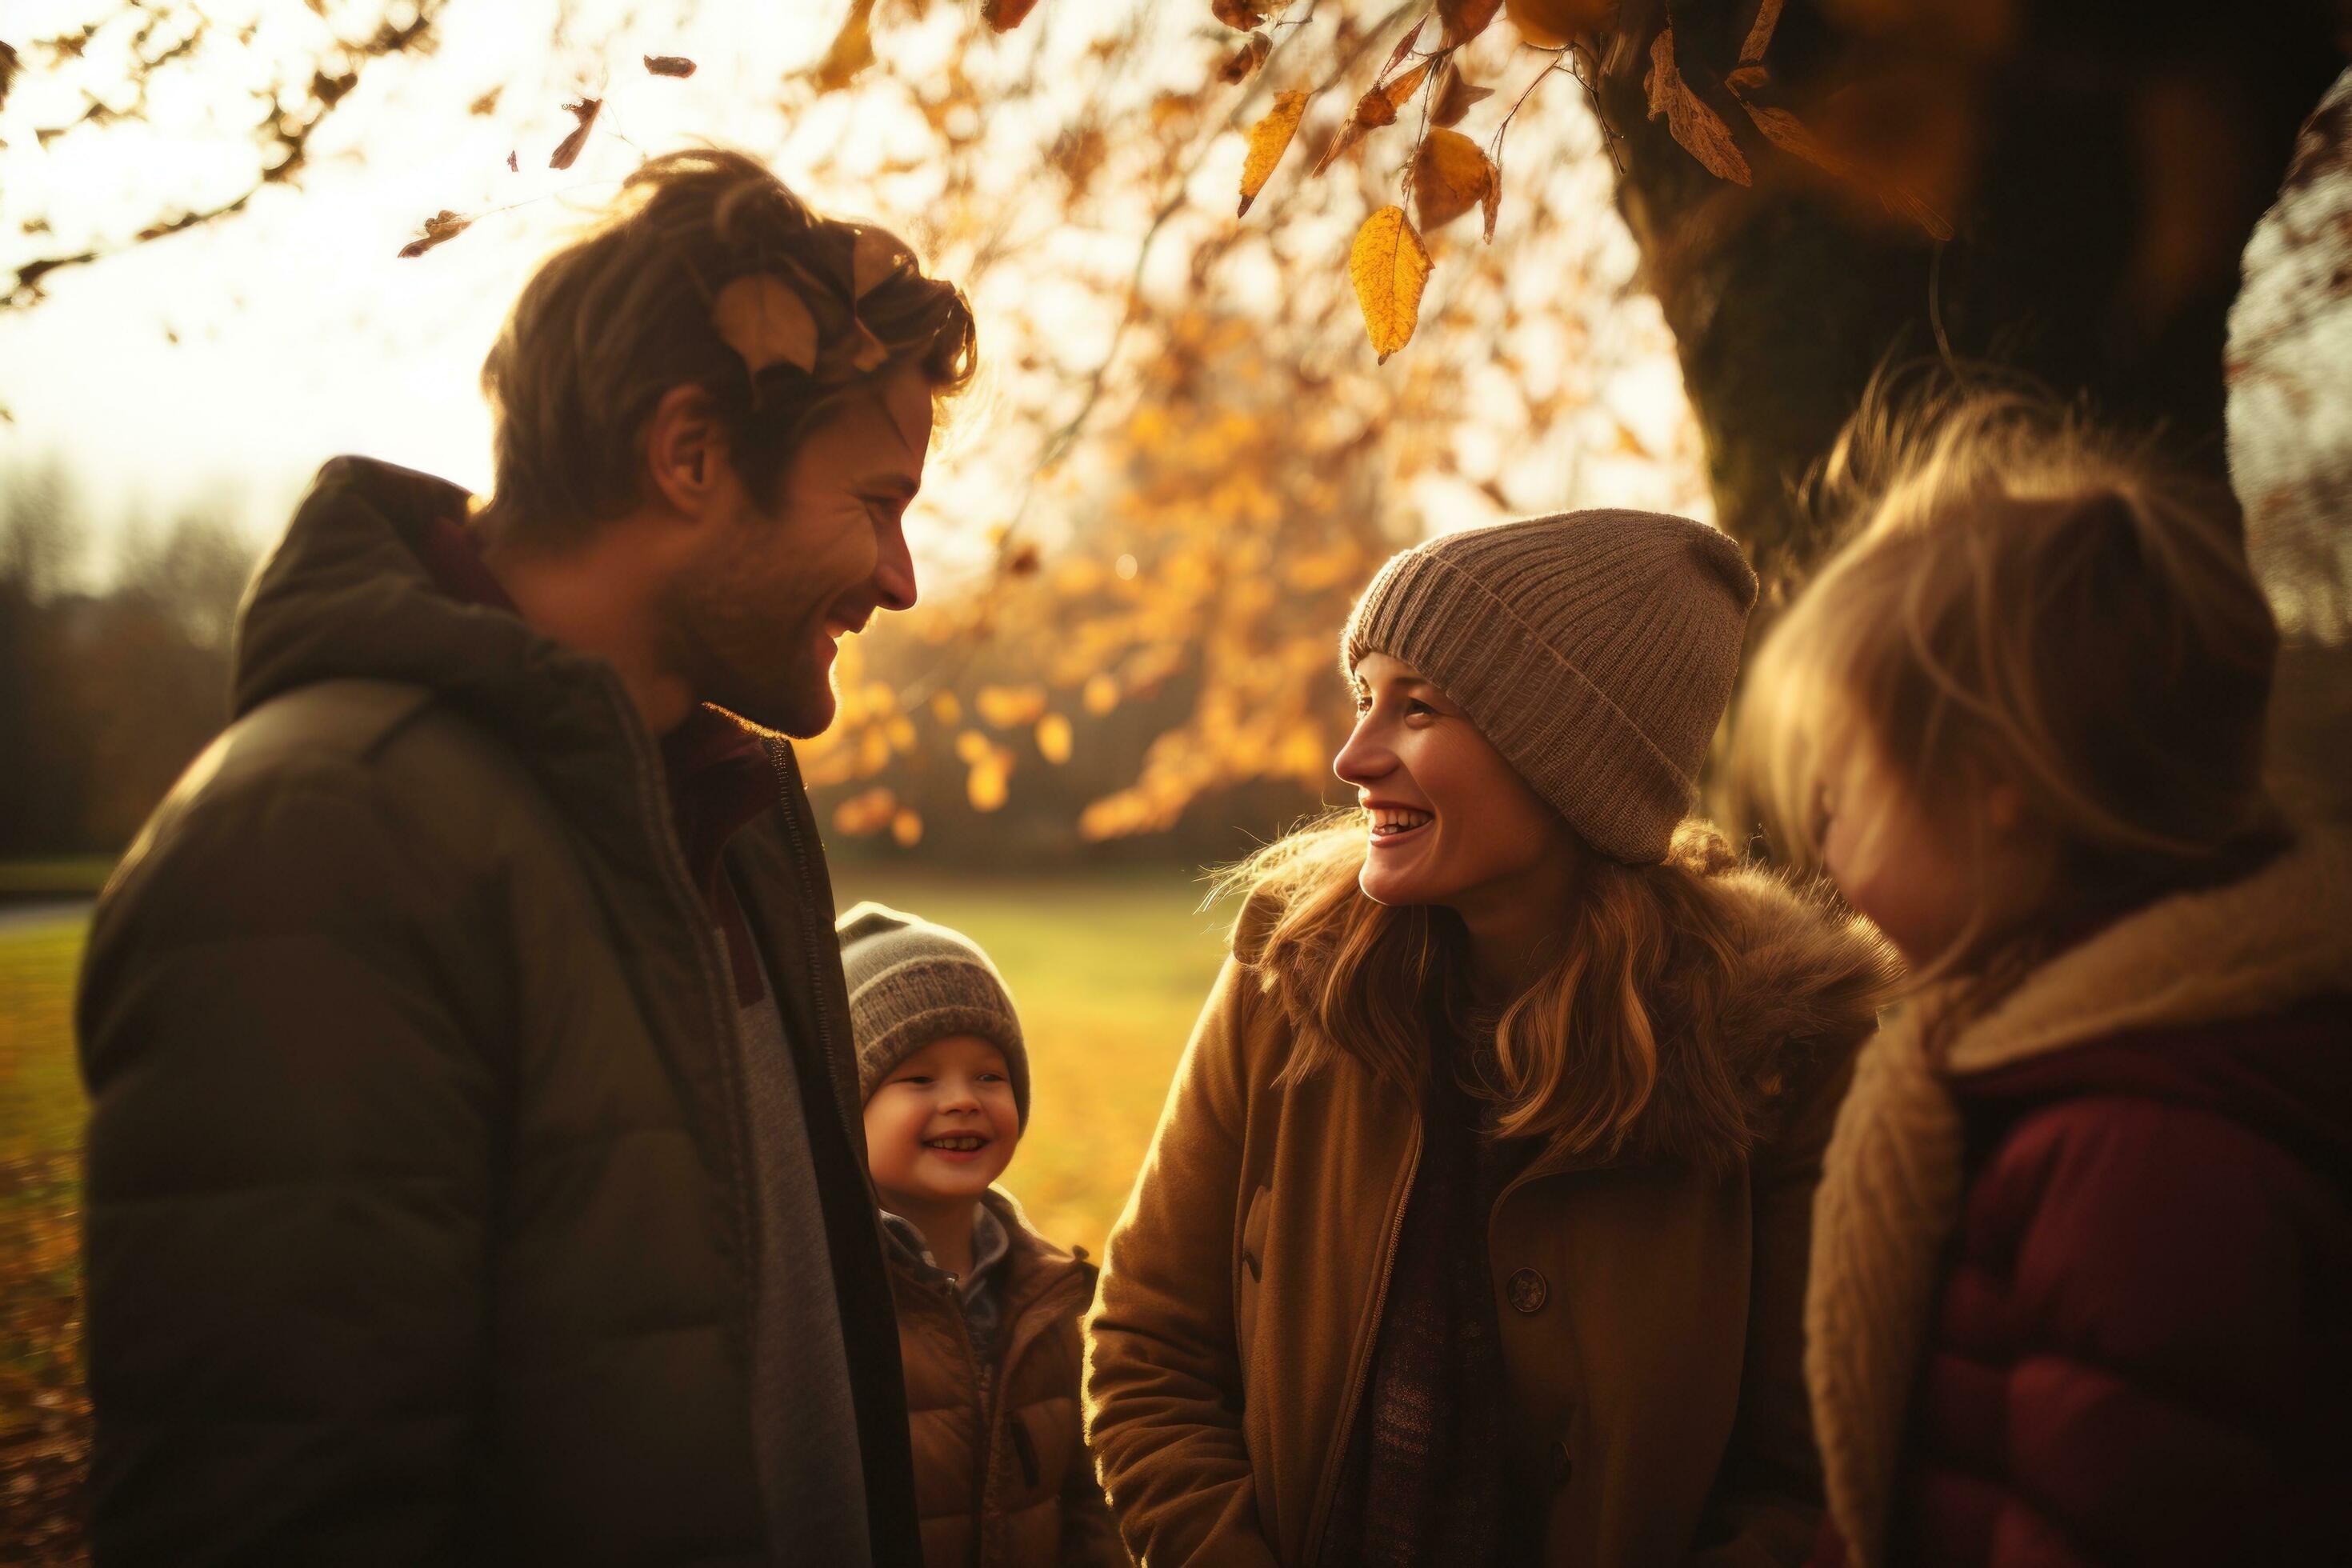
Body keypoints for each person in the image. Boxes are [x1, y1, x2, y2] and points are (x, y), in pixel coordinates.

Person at [74, 149, 974, 1564]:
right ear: (690, 456)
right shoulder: (318, 845)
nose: (901, 576)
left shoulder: (738, 816)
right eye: (878, 501)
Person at [1086, 510, 1902, 1566]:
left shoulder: (1780, 1060)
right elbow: (1147, 1355)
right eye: (1364, 697)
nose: (1353, 756)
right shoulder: (1285, 979)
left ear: (1573, 763)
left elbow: (1805, 1491)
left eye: (1418, 709)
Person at [1732, 391, 2352, 1566]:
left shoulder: (2141, 1157)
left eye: (1844, 791)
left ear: (1994, 785)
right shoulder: (2062, 1069)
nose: (1822, 847)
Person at [836, 902, 1125, 1568]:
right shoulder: (829, 1296)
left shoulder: (1049, 1293)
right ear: (844, 1107)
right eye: (918, 1077)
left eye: (989, 1075)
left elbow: (1084, 1495)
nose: (963, 1098)